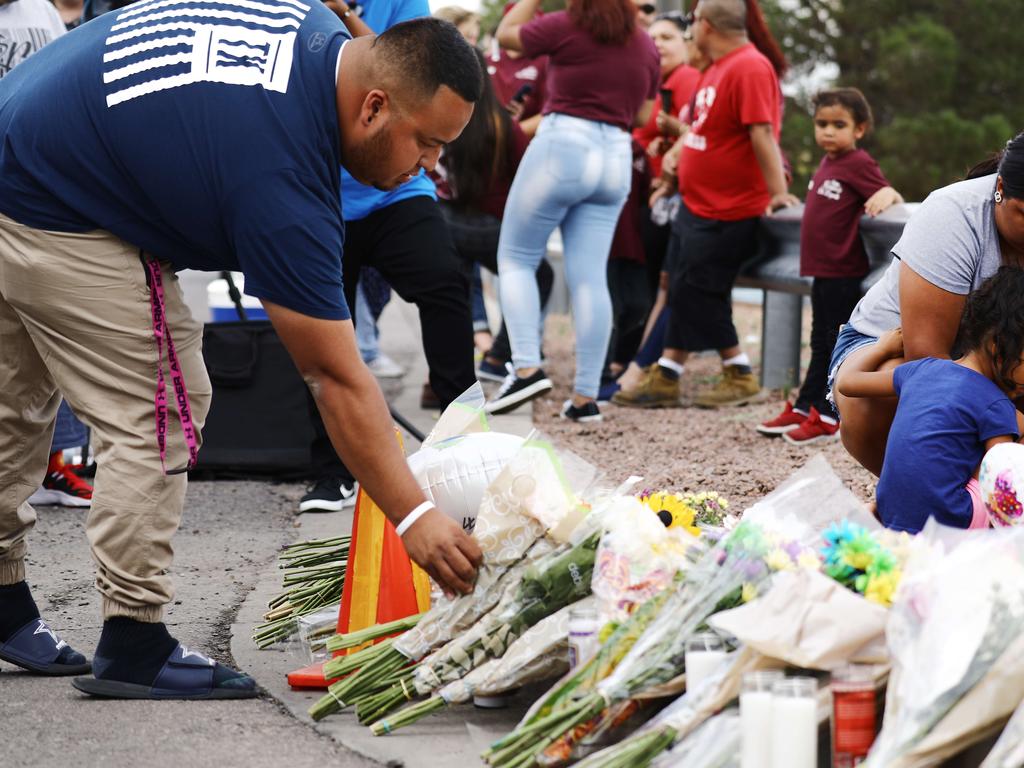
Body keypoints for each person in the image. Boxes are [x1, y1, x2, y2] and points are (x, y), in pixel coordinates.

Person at [0, 11, 483, 698]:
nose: (429, 170)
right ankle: (134, 642)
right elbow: (334, 378)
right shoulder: (285, 175)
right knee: (159, 406)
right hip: (63, 198)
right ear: (374, 107)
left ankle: (1, 602)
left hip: (18, 136)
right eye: (428, 145)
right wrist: (413, 516)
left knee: (13, 403)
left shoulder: (315, 28)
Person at [298, 0, 480, 514]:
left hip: (396, 192)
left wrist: (346, 15)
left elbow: (408, 74)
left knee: (444, 282)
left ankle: (461, 441)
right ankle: (333, 471)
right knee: (322, 320)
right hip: (323, 192)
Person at [613, 0, 797, 410]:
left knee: (700, 292)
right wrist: (674, 170)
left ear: (706, 25)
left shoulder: (749, 66)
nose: (690, 28)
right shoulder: (714, 68)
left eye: (693, 22)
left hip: (728, 208)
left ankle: (739, 372)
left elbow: (762, 133)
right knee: (680, 286)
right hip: (695, 203)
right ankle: (667, 374)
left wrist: (776, 192)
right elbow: (704, 132)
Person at [484, 0, 660, 423]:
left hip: (563, 143)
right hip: (615, 154)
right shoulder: (646, 46)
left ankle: (525, 367)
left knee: (516, 258)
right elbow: (642, 113)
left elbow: (506, 34)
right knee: (590, 277)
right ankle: (585, 398)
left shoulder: (567, 26)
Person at [830, 131, 1024, 477]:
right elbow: (926, 363)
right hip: (896, 351)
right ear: (1000, 190)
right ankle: (942, 495)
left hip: (1001, 369)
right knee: (877, 402)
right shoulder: (952, 215)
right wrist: (1004, 417)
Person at [757, 88, 902, 445]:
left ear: (859, 129)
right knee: (818, 341)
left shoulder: (858, 162)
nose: (828, 131)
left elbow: (885, 192)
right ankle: (807, 405)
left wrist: (889, 195)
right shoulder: (827, 163)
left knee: (831, 341)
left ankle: (827, 415)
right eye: (821, 124)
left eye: (839, 124)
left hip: (843, 271)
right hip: (822, 271)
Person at [837, 269, 1024, 533]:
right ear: (999, 346)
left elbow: (847, 383)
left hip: (890, 509)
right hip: (952, 522)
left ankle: (881, 516)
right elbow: (999, 476)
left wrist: (882, 348)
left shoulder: (921, 370)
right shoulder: (995, 404)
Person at [434, 48, 555, 385]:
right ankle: (499, 354)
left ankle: (443, 377)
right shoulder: (504, 126)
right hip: (492, 228)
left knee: (452, 292)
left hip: (445, 221)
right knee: (539, 276)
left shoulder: (439, 118)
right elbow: (524, 180)